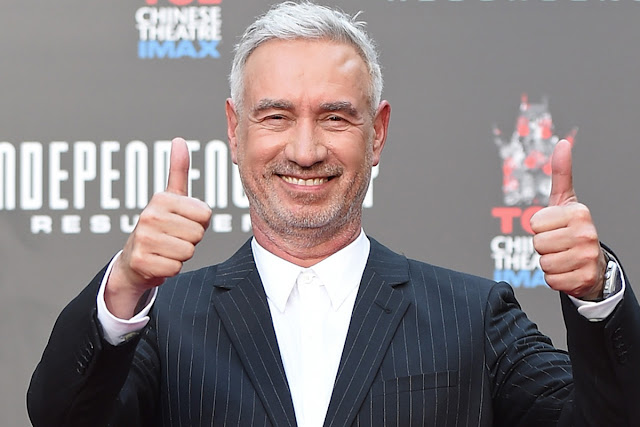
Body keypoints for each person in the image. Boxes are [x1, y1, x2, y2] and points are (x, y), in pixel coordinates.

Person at [27, 2, 640, 426]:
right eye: (276, 116)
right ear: (235, 131)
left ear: (378, 134)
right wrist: (125, 287)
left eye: (335, 117)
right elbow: (62, 418)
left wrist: (597, 296)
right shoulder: (163, 323)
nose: (305, 150)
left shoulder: (472, 317)